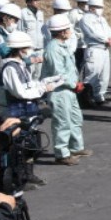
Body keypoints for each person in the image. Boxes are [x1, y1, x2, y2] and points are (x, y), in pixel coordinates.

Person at [1, 32, 56, 186]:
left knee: (32, 144)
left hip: (28, 108)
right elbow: (20, 92)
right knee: (19, 146)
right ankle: (18, 179)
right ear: (19, 49)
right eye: (27, 47)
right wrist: (42, 90)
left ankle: (29, 174)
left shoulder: (21, 65)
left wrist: (43, 84)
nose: (29, 50)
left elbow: (28, 85)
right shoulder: (10, 68)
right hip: (17, 110)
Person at [41, 15, 90, 164]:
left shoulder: (63, 46)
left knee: (75, 118)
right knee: (62, 122)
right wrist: (74, 84)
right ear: (61, 32)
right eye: (68, 29)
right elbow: (58, 73)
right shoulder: (53, 49)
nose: (70, 31)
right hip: (59, 90)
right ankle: (61, 153)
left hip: (69, 89)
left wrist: (75, 83)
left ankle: (75, 147)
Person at [78, 0, 111, 106]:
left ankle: (99, 97)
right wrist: (105, 39)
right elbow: (91, 33)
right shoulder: (85, 19)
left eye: (100, 6)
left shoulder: (102, 19)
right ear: (91, 7)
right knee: (93, 74)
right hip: (94, 49)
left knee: (104, 75)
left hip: (104, 49)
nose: (99, 9)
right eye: (97, 6)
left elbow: (109, 31)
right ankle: (85, 98)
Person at [20, 0, 45, 79]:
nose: (38, 1)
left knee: (38, 75)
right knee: (29, 73)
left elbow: (43, 32)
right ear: (29, 0)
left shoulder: (40, 14)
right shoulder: (22, 13)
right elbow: (20, 31)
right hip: (29, 50)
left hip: (40, 49)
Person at [70, 0, 91, 72]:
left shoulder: (89, 13)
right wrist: (77, 36)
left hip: (87, 44)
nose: (87, 5)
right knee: (77, 67)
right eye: (86, 3)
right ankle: (76, 83)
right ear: (80, 2)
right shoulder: (74, 13)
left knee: (87, 67)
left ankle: (85, 84)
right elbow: (70, 28)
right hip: (78, 46)